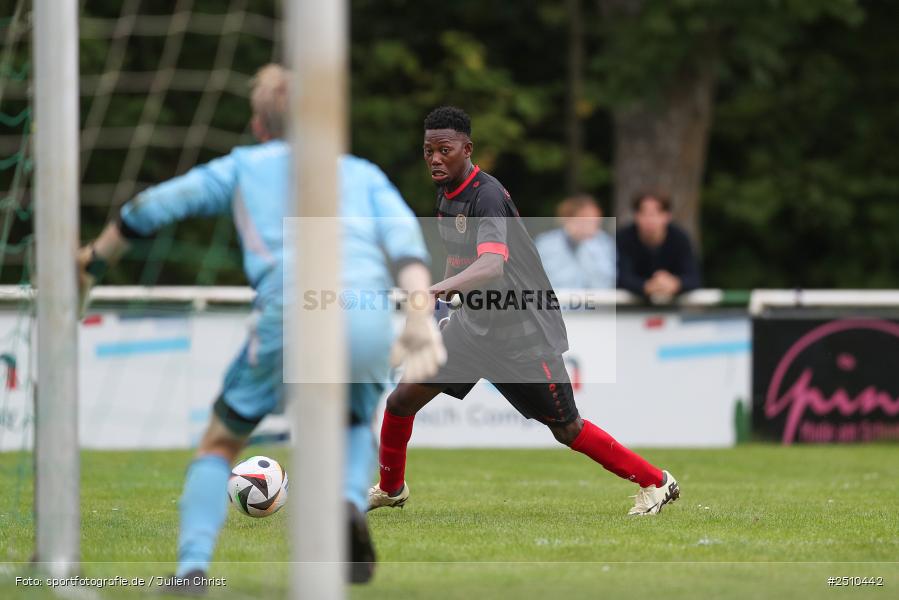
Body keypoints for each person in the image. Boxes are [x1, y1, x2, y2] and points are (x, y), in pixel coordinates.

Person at [77, 64, 445, 590]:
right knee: (351, 424)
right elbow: (406, 241)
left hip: (292, 306)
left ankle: (193, 570)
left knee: (220, 443)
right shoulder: (360, 172)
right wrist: (416, 314)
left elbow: (152, 207)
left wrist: (93, 259)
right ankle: (345, 504)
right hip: (365, 310)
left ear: (257, 125)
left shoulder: (242, 166)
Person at [368, 106, 680, 518]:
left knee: (568, 428)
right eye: (428, 151)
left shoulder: (489, 196)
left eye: (444, 150)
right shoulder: (446, 196)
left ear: (467, 149)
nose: (435, 159)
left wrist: (436, 290)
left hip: (522, 332)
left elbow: (491, 263)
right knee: (401, 400)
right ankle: (392, 489)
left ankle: (657, 481)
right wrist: (442, 306)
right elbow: (459, 258)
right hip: (474, 328)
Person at [616, 191, 701, 303]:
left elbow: (694, 278)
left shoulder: (680, 238)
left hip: (672, 311)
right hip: (628, 311)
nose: (650, 219)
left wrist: (675, 284)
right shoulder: (623, 238)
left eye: (655, 213)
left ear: (667, 216)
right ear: (636, 216)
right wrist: (647, 286)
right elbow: (619, 277)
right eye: (644, 213)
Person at [534, 194, 615, 289]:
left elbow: (606, 282)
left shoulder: (605, 243)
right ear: (568, 218)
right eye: (585, 217)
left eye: (595, 218)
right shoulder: (544, 244)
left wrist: (585, 245)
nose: (592, 223)